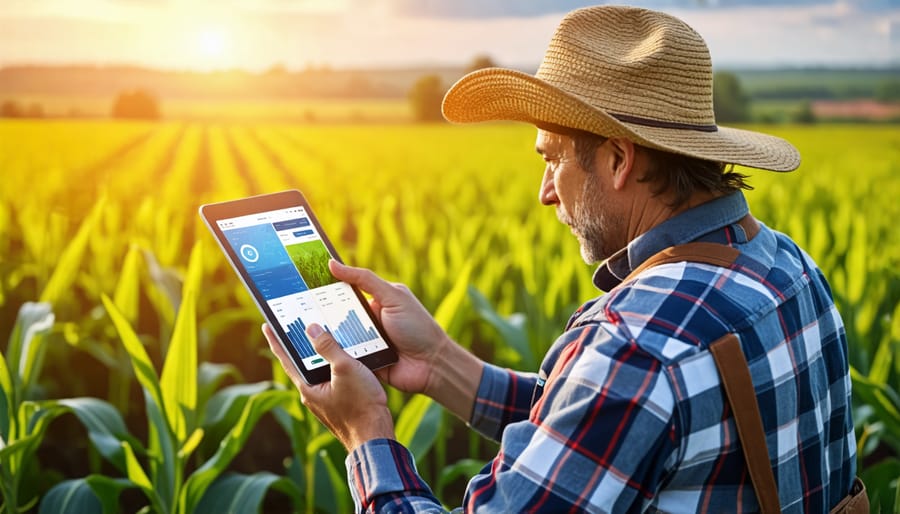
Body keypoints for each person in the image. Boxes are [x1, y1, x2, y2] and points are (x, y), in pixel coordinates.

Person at [263, 5, 858, 512]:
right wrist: (438, 361)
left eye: (553, 159)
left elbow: (626, 392)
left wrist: (365, 432)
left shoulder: (637, 345)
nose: (546, 190)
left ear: (619, 161)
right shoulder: (790, 267)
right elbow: (608, 423)